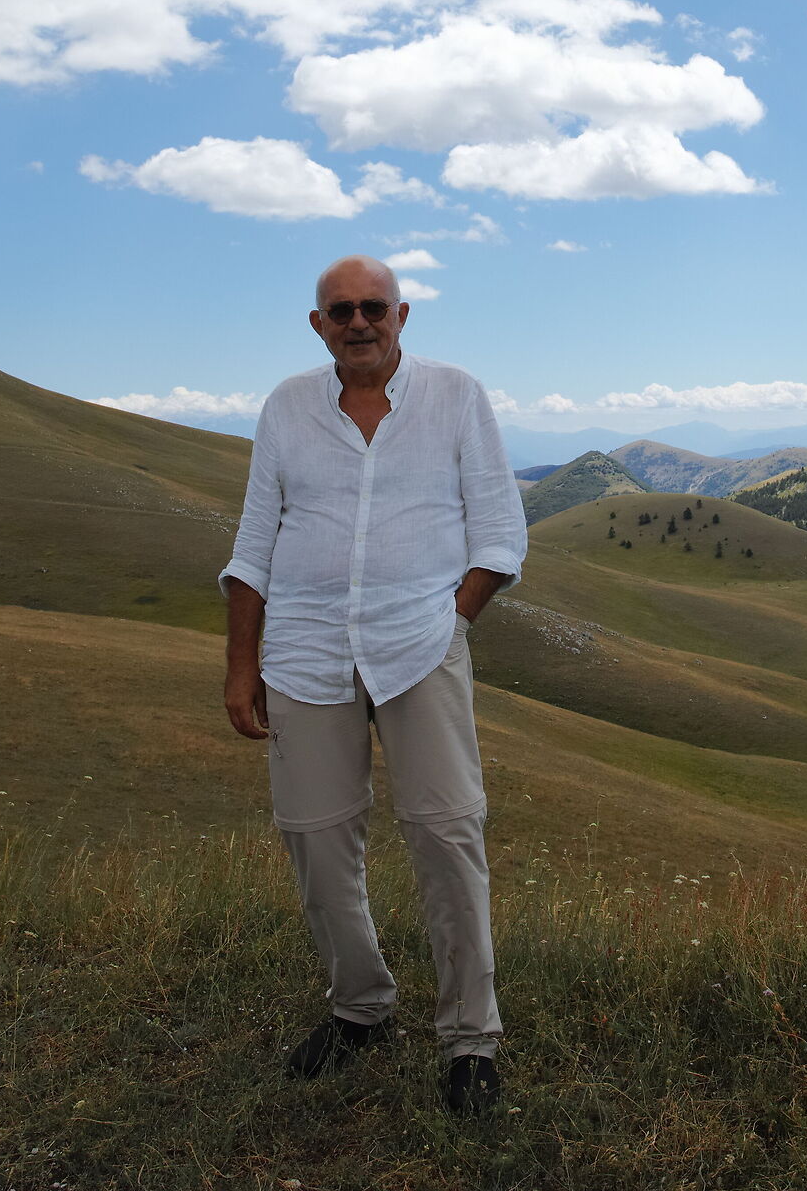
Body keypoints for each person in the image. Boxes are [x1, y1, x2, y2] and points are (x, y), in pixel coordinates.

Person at [219, 254, 526, 1116]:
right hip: (306, 652)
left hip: (419, 645)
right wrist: (242, 665)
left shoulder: (457, 396)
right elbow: (254, 542)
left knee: (446, 832)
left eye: (375, 308)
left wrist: (452, 619)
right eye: (341, 310)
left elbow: (500, 532)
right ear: (318, 324)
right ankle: (360, 1008)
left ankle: (471, 1039)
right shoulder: (286, 407)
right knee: (315, 837)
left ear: (403, 314)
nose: (360, 322)